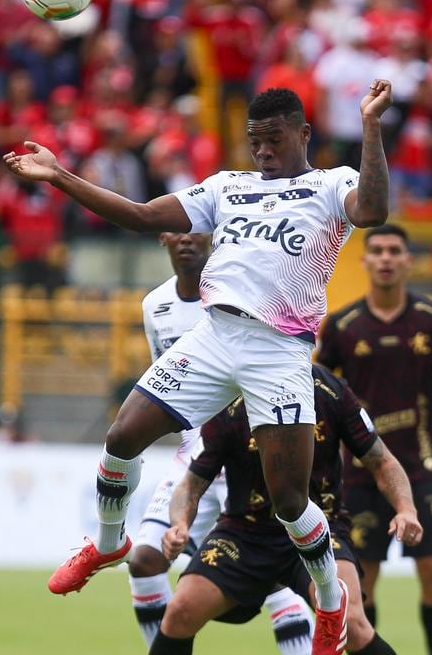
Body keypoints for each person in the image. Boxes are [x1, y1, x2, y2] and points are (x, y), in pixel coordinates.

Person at [4, 82, 393, 654]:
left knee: (289, 501)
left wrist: (371, 127)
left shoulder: (331, 185)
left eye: (274, 140)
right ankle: (110, 543)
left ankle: (330, 605)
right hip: (214, 335)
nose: (262, 151)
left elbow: (376, 210)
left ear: (303, 135)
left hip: (278, 351)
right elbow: (140, 216)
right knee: (122, 436)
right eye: (254, 141)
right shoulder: (227, 187)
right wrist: (60, 176)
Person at [129, 232, 314, 653]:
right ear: (161, 238)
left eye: (195, 231)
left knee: (279, 581)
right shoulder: (154, 306)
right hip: (196, 456)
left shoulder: (248, 295)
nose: (185, 240)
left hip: (252, 456)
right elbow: (168, 383)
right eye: (176, 231)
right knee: (143, 561)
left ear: (216, 237)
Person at [154, 364, 421, 655]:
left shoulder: (331, 392)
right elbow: (191, 486)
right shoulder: (230, 401)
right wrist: (179, 524)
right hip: (246, 534)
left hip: (321, 528)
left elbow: (382, 461)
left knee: (352, 622)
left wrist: (406, 509)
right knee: (180, 611)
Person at [317, 224, 432, 655]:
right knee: (364, 580)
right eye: (377, 250)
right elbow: (315, 390)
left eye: (395, 250)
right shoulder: (343, 326)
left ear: (409, 261)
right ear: (365, 261)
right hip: (358, 475)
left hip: (421, 470)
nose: (386, 258)